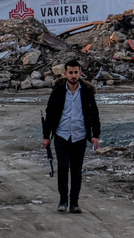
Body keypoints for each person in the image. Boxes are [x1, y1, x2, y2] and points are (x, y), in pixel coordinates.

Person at [42, 59, 100, 213]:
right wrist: (46, 136)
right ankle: (63, 200)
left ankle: (74, 203)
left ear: (80, 73)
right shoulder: (59, 90)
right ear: (65, 73)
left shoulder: (86, 91)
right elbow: (50, 113)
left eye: (76, 72)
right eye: (71, 73)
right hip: (62, 135)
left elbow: (94, 114)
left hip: (80, 135)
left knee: (76, 169)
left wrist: (95, 135)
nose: (73, 76)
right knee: (62, 167)